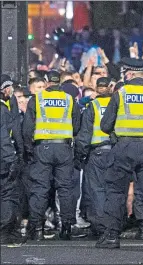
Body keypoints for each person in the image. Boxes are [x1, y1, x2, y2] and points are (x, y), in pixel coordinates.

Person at [95, 58, 143, 250]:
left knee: (116, 192)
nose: (124, 76)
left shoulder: (121, 93)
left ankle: (111, 236)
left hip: (123, 147)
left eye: (126, 73)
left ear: (131, 74)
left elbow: (105, 125)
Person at [22, 72, 81, 241]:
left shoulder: (37, 99)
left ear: (47, 82)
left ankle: (38, 228)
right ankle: (67, 227)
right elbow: (76, 126)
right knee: (65, 189)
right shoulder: (69, 100)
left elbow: (27, 128)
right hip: (63, 147)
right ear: (60, 83)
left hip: (43, 147)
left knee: (40, 188)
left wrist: (29, 150)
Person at [75, 77, 113, 238]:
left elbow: (85, 133)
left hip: (97, 153)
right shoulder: (118, 104)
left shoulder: (93, 106)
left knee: (97, 191)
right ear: (110, 87)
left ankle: (102, 227)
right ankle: (114, 225)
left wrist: (80, 155)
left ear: (97, 88)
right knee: (114, 190)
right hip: (115, 152)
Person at [0, 76, 22, 244]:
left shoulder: (8, 106)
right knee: (7, 194)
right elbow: (3, 137)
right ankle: (5, 231)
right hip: (4, 158)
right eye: (11, 87)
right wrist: (11, 159)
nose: (13, 91)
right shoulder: (2, 110)